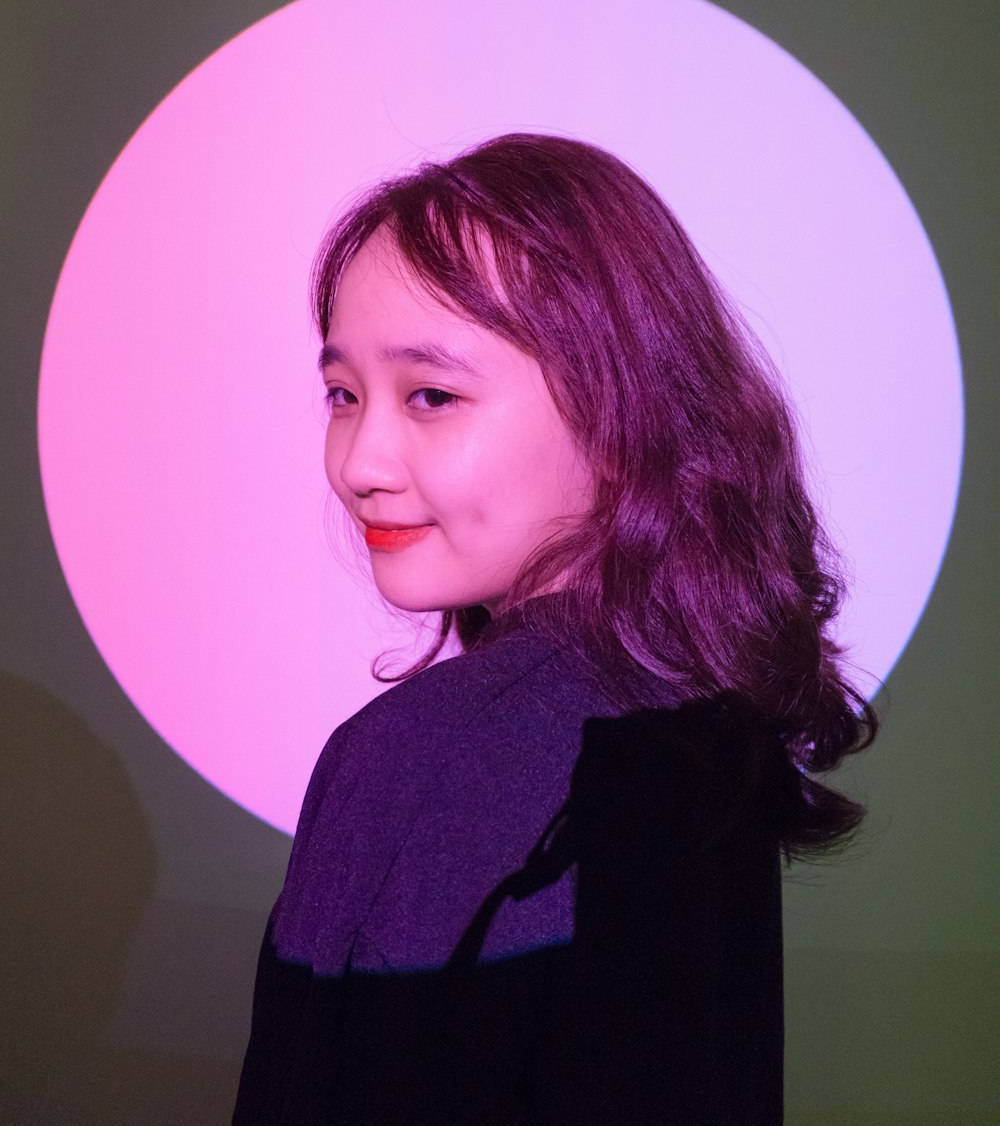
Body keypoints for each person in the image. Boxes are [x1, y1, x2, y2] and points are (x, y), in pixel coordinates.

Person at [233, 132, 877, 1124]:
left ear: (621, 418)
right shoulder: (707, 716)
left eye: (431, 395)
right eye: (342, 394)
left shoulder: (424, 754)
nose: (359, 460)